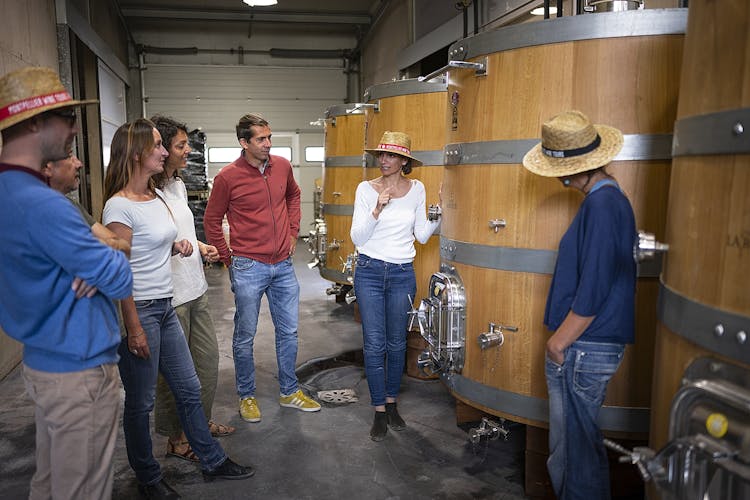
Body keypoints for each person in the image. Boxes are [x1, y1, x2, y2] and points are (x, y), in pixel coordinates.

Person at [0, 66, 133, 499]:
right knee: (81, 491)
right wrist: (107, 255)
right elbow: (118, 275)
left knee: (51, 482)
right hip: (78, 372)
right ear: (35, 121)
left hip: (44, 361)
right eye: (67, 117)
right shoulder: (44, 205)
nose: (75, 128)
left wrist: (90, 259)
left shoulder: (9, 192)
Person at [103, 118, 253, 499]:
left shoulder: (156, 197)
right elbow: (120, 271)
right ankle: (148, 477)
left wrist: (180, 246)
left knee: (188, 388)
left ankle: (212, 460)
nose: (165, 151)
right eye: (157, 145)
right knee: (141, 403)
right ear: (137, 153)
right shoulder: (117, 207)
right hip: (141, 310)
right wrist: (133, 327)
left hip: (167, 307)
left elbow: (151, 245)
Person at [521, 110, 636, 499]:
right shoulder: (607, 200)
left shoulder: (602, 206)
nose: (561, 179)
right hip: (588, 345)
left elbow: (595, 284)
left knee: (573, 454)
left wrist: (559, 342)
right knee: (577, 449)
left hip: (583, 347)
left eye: (566, 172)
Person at [204, 113, 321, 423]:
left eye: (270, 137)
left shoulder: (281, 165)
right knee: (245, 335)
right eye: (261, 139)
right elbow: (211, 220)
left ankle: (289, 391)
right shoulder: (227, 177)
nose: (268, 144)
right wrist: (229, 258)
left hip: (282, 265)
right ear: (244, 142)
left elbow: (294, 195)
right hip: (248, 266)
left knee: (289, 332)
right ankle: (247, 396)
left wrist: (294, 231)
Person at [150, 115, 234, 463]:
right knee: (173, 377)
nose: (187, 151)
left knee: (207, 363)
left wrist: (201, 247)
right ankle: (177, 438)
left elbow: (181, 233)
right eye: (180, 146)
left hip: (195, 287)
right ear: (161, 150)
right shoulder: (146, 193)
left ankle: (198, 422)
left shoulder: (179, 186)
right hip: (170, 296)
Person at [350, 131, 441, 441]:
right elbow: (358, 238)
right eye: (381, 154)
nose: (384, 160)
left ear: (404, 161)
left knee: (397, 343)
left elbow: (423, 235)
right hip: (370, 272)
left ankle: (391, 404)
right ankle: (378, 410)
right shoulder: (366, 189)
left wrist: (439, 213)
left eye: (391, 155)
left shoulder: (417, 189)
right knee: (375, 344)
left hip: (402, 273)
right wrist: (377, 208)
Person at [42, 152, 131, 256]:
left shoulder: (71, 205)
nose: (79, 164)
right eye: (69, 156)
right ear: (47, 167)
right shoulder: (35, 210)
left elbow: (122, 246)